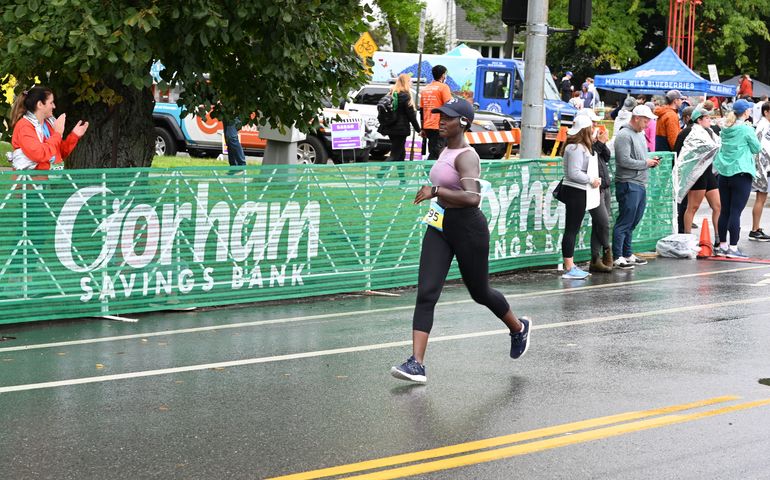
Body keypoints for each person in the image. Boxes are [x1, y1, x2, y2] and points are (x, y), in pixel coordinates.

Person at [390, 98, 531, 383]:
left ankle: (518, 328)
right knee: (426, 292)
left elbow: (472, 198)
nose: (441, 120)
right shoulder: (444, 149)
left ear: (463, 123)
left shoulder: (466, 156)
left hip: (468, 229)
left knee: (480, 292)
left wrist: (436, 190)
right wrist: (436, 194)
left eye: (448, 117)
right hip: (440, 226)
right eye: (440, 115)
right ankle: (417, 364)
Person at [713, 99, 762, 257]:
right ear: (746, 112)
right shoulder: (746, 129)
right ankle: (733, 248)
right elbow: (757, 148)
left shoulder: (726, 128)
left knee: (725, 211)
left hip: (724, 174)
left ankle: (722, 246)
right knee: (736, 212)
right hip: (741, 173)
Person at [612, 105, 660, 269]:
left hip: (639, 182)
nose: (647, 124)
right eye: (646, 120)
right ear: (636, 118)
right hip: (628, 182)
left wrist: (648, 162)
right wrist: (645, 163)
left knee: (633, 220)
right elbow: (623, 161)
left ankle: (626, 253)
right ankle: (618, 255)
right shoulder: (624, 135)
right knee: (625, 221)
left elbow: (637, 159)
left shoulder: (639, 134)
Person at [559, 114, 604, 279]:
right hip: (576, 191)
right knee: (571, 229)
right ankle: (569, 267)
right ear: (585, 130)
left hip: (578, 191)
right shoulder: (576, 148)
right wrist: (591, 179)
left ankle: (570, 265)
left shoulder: (576, 147)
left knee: (572, 228)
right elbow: (574, 173)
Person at [9, 85, 88, 171]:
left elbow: (58, 153)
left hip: (49, 180)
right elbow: (39, 154)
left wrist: (74, 136)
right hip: (31, 181)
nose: (54, 106)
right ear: (40, 104)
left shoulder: (49, 124)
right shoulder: (24, 126)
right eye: (51, 103)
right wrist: (57, 133)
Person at [677, 109, 722, 239]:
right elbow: (680, 152)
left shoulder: (710, 131)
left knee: (717, 206)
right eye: (707, 118)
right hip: (697, 173)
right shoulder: (690, 132)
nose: (710, 120)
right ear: (699, 120)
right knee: (693, 207)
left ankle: (719, 238)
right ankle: (687, 236)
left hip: (708, 172)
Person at [378, 73, 421, 162]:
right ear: (406, 82)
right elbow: (411, 116)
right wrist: (419, 130)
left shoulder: (392, 93)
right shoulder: (405, 95)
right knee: (394, 155)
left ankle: (401, 175)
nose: (411, 83)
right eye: (410, 81)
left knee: (401, 153)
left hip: (390, 127)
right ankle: (379, 175)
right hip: (400, 130)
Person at [419, 65, 453, 160]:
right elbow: (449, 106)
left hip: (427, 125)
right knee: (438, 153)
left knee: (433, 150)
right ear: (443, 75)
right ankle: (430, 173)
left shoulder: (425, 89)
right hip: (439, 125)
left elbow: (421, 110)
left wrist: (422, 128)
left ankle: (430, 172)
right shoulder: (443, 87)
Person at [749, 101, 770, 241]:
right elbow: (762, 148)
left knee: (761, 199)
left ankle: (756, 228)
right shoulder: (763, 126)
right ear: (766, 112)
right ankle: (755, 229)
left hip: (764, 166)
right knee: (761, 198)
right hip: (764, 167)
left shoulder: (764, 125)